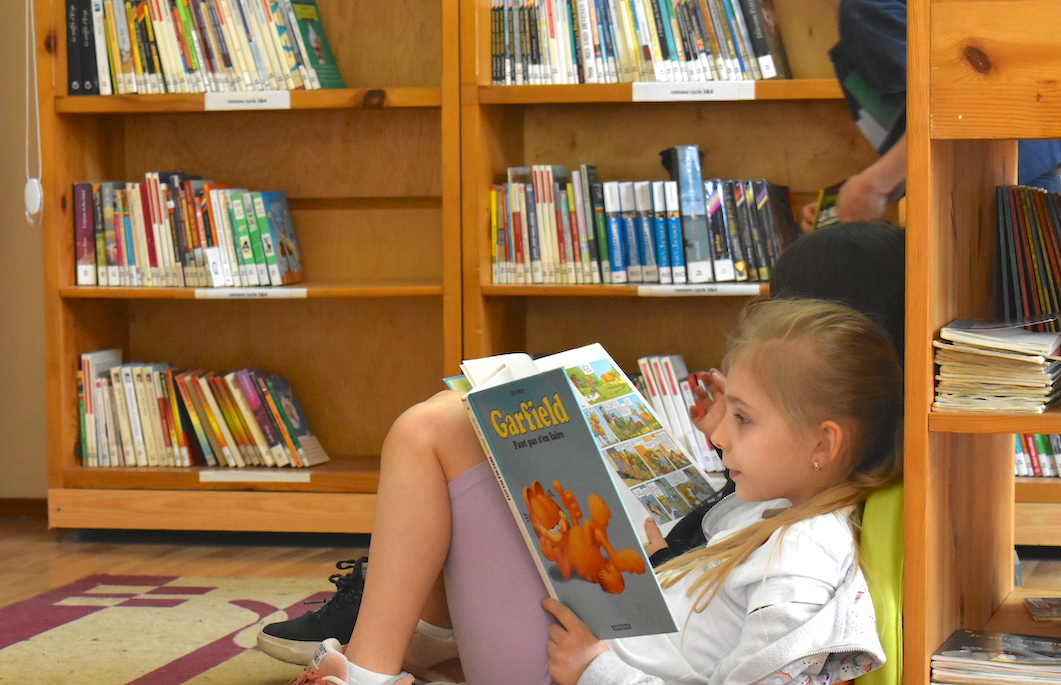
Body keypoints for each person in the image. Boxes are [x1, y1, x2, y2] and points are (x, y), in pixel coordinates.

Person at [213, 298, 900, 685]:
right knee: (491, 421)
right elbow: (695, 608)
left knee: (433, 432)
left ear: (823, 442)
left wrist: (602, 678)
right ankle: (405, 650)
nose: (719, 434)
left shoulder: (807, 565)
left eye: (743, 418)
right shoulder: (782, 504)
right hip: (584, 637)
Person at [259, 220, 908, 647]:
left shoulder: (814, 530)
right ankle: (404, 629)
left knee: (440, 426)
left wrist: (654, 556)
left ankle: (375, 665)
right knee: (473, 425)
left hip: (612, 641)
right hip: (648, 583)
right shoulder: (836, 467)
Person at [804, 0, 1061, 229]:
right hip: (1017, 180)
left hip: (1006, 193)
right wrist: (861, 195)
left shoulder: (863, 11)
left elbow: (952, 106)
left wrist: (874, 184)